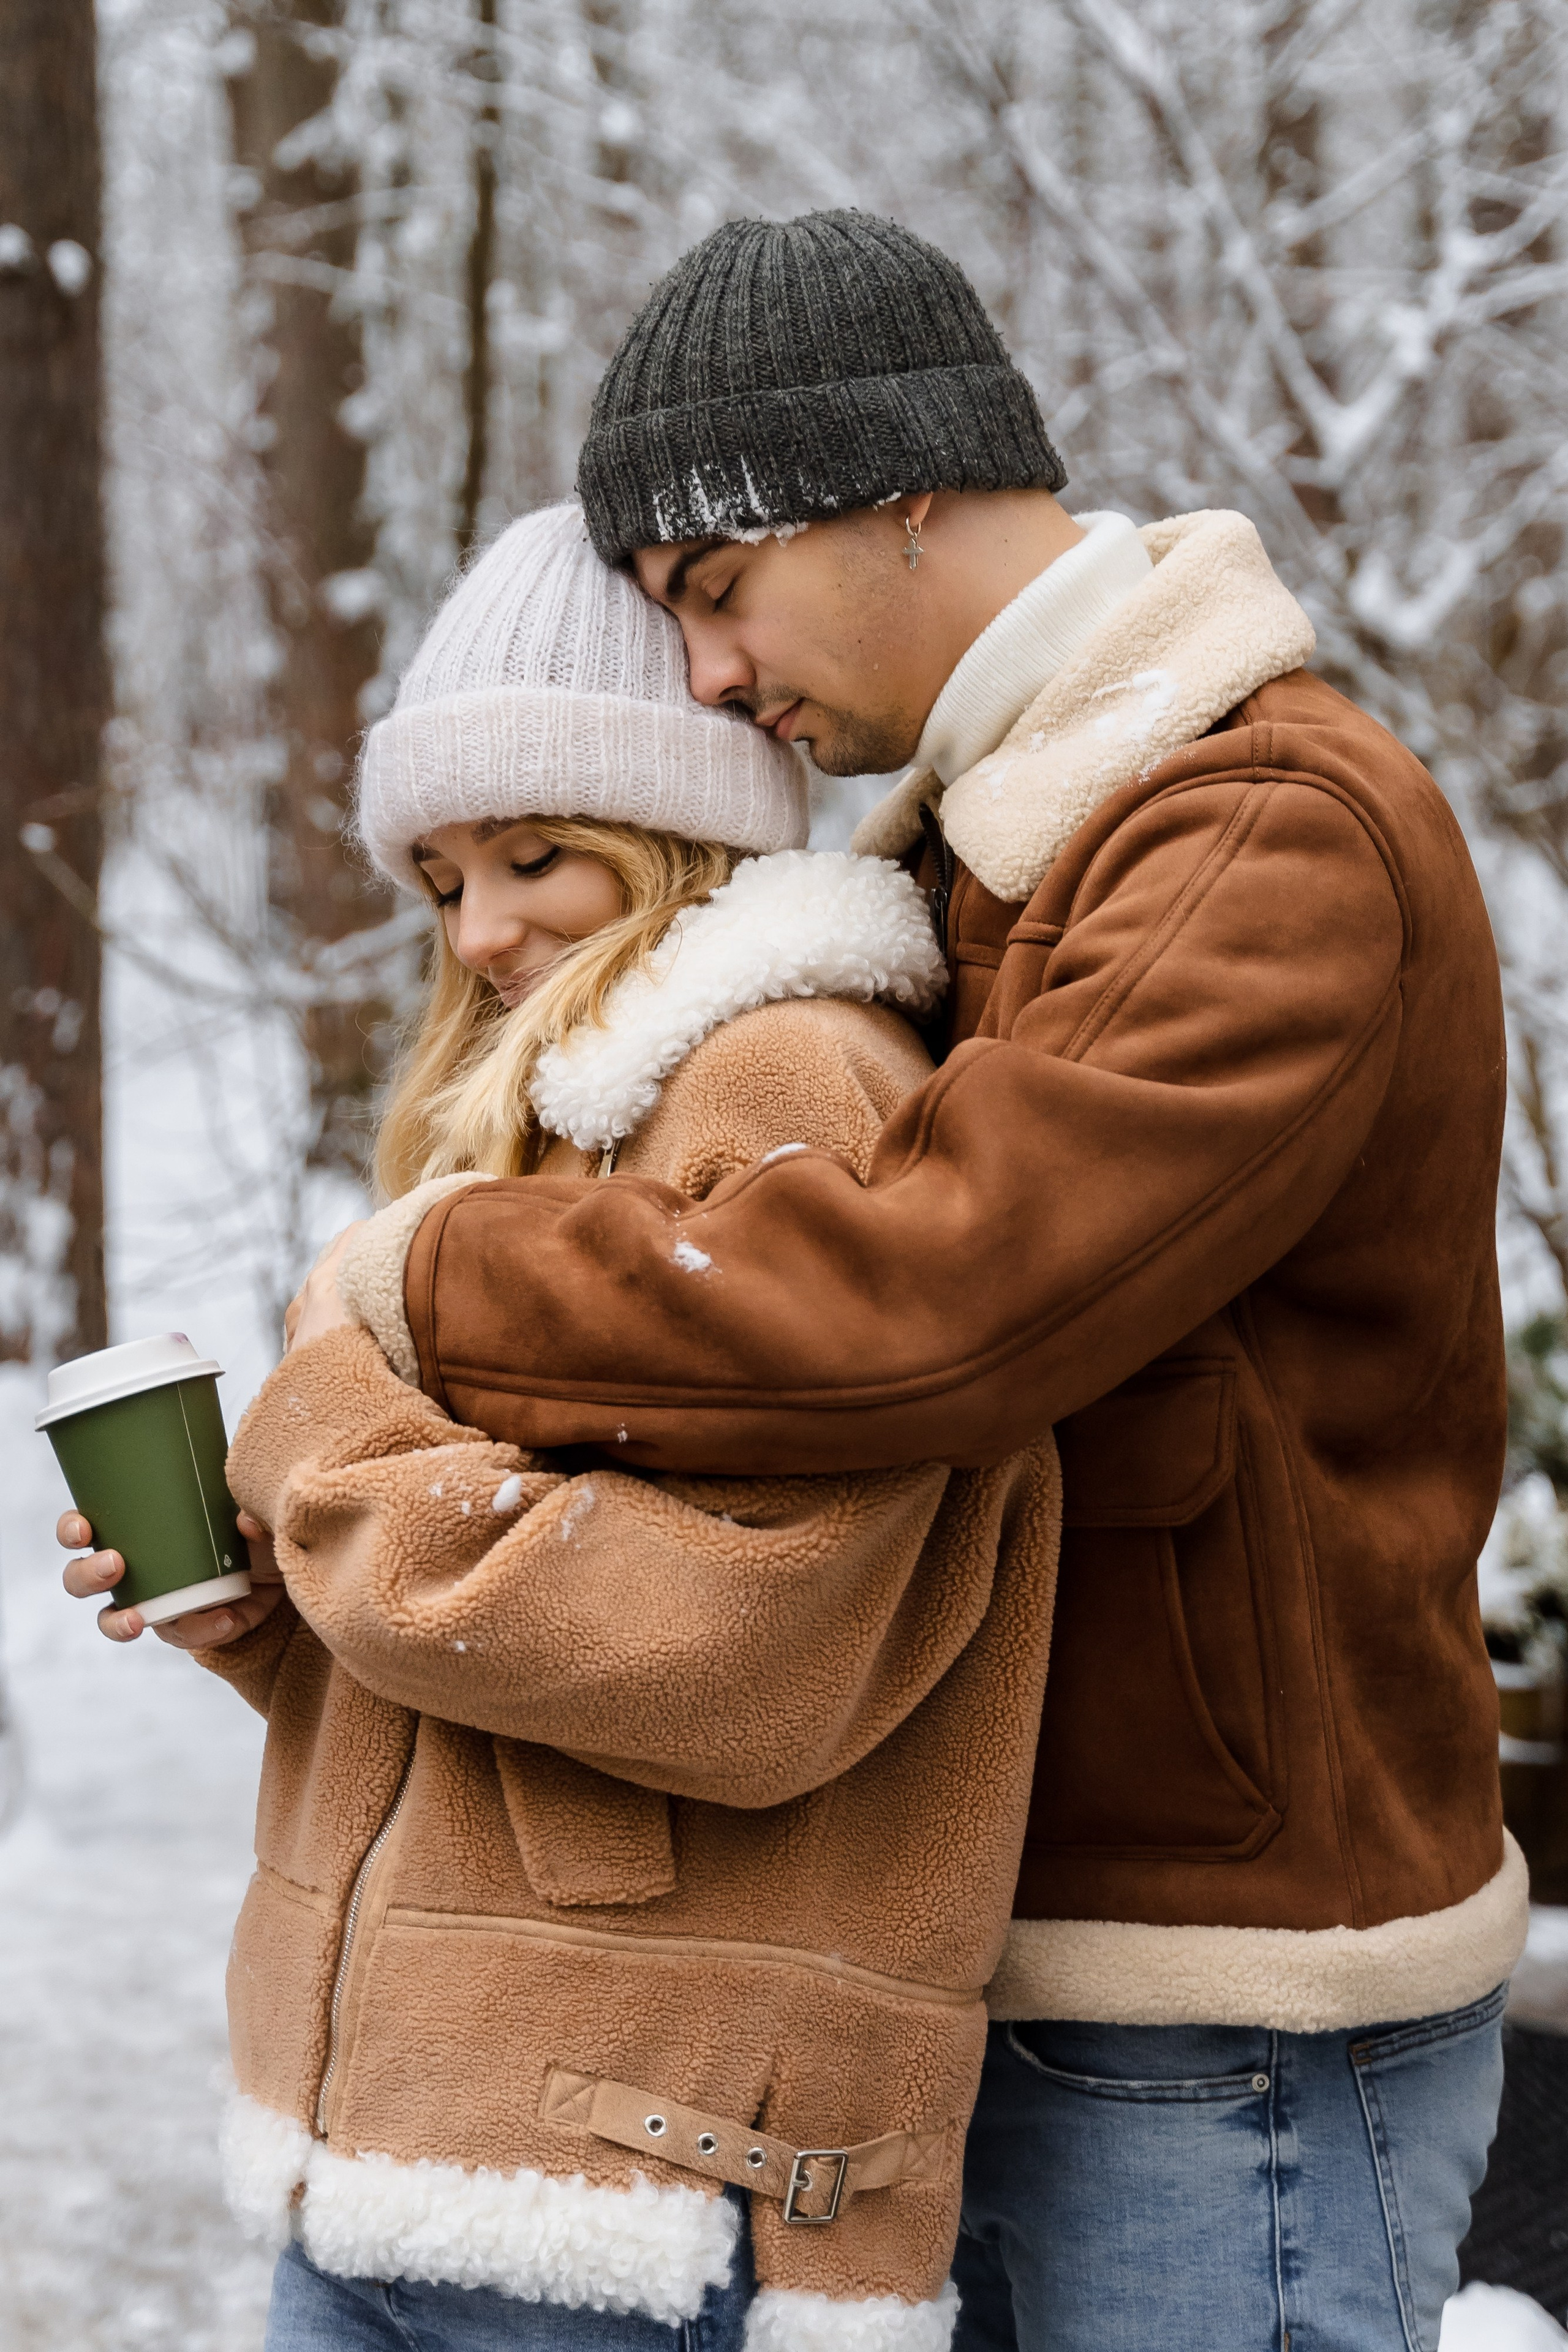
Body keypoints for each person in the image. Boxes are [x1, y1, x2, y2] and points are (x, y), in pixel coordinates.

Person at [339, 213, 1525, 2352]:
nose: (707, 678)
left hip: (1231, 2000)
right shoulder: (1002, 849)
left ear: (898, 494)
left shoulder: (1258, 829)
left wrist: (437, 1286)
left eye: (716, 593)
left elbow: (932, 1303)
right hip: (1022, 1961)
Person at [59, 502, 1060, 2352]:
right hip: (413, 2146)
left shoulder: (788, 1086)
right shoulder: (538, 1137)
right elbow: (508, 1680)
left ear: (683, 836)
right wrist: (264, 1626)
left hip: (631, 2188)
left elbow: (744, 1657)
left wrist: (328, 1416)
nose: (485, 930)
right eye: (442, 881)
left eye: (539, 856)